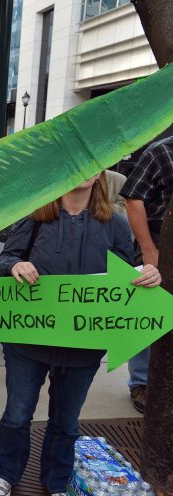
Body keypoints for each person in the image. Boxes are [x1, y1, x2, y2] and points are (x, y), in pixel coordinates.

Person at [0, 172, 160, 496]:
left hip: (83, 345)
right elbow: (4, 260)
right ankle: (7, 471)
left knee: (65, 421)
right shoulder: (36, 217)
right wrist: (15, 266)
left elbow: (126, 276)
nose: (85, 171)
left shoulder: (116, 223)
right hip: (28, 339)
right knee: (18, 413)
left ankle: (56, 481)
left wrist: (146, 275)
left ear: (100, 174)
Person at [118, 135, 172, 413]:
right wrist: (148, 248)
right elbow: (133, 197)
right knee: (146, 314)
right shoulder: (161, 151)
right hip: (159, 246)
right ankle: (140, 383)